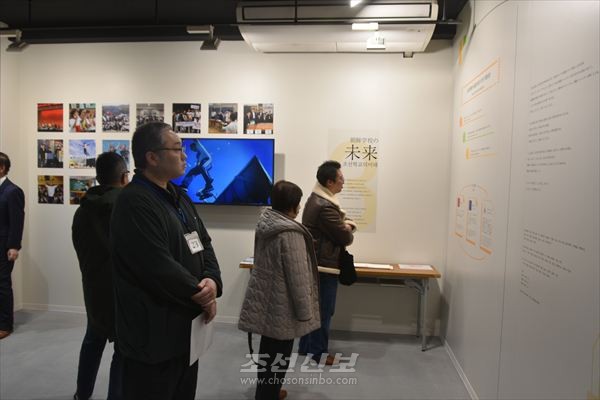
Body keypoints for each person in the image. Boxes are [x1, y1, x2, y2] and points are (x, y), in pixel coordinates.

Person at [110, 122, 223, 400]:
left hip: (185, 330)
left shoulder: (179, 197)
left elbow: (204, 243)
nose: (185, 156)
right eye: (177, 149)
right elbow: (156, 265)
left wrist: (212, 280)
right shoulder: (134, 201)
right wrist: (202, 295)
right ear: (152, 157)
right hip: (151, 336)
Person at [238, 180, 320, 400]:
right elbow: (298, 276)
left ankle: (266, 392)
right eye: (298, 203)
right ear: (292, 205)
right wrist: (305, 312)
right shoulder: (290, 233)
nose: (300, 207)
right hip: (283, 306)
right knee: (279, 357)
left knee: (268, 352)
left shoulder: (267, 223)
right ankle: (268, 394)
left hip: (268, 300)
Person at [72, 152, 129, 400]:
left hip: (94, 287)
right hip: (123, 290)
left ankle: (82, 394)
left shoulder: (83, 209)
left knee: (92, 341)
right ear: (124, 177)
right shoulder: (126, 209)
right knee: (123, 350)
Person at [298, 160, 356, 365]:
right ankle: (319, 353)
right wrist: (349, 227)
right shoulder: (324, 206)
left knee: (314, 309)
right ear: (329, 182)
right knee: (323, 310)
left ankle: (306, 347)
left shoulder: (318, 200)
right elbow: (344, 237)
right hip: (323, 267)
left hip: (317, 263)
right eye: (340, 178)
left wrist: (345, 225)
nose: (343, 181)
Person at [0, 152, 25, 340]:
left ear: (2, 168)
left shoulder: (12, 191)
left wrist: (14, 246)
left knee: (2, 284)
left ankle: (5, 324)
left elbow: (17, 221)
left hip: (4, 246)